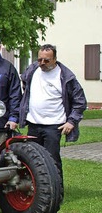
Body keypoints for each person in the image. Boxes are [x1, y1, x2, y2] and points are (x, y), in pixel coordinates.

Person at [19, 44, 87, 179]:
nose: (42, 63)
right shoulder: (32, 70)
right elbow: (25, 86)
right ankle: (37, 191)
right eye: (39, 60)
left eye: (46, 60)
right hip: (33, 124)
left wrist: (71, 122)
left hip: (54, 126)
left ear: (55, 59)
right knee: (32, 160)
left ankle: (56, 193)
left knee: (52, 161)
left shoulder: (66, 76)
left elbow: (80, 101)